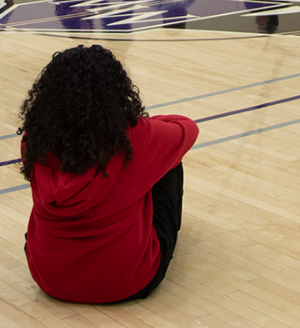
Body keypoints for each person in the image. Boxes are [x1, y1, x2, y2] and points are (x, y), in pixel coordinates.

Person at [19, 44, 198, 303]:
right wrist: (142, 124)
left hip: (49, 279)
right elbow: (187, 128)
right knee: (169, 158)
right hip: (128, 281)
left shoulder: (32, 139)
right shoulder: (133, 137)